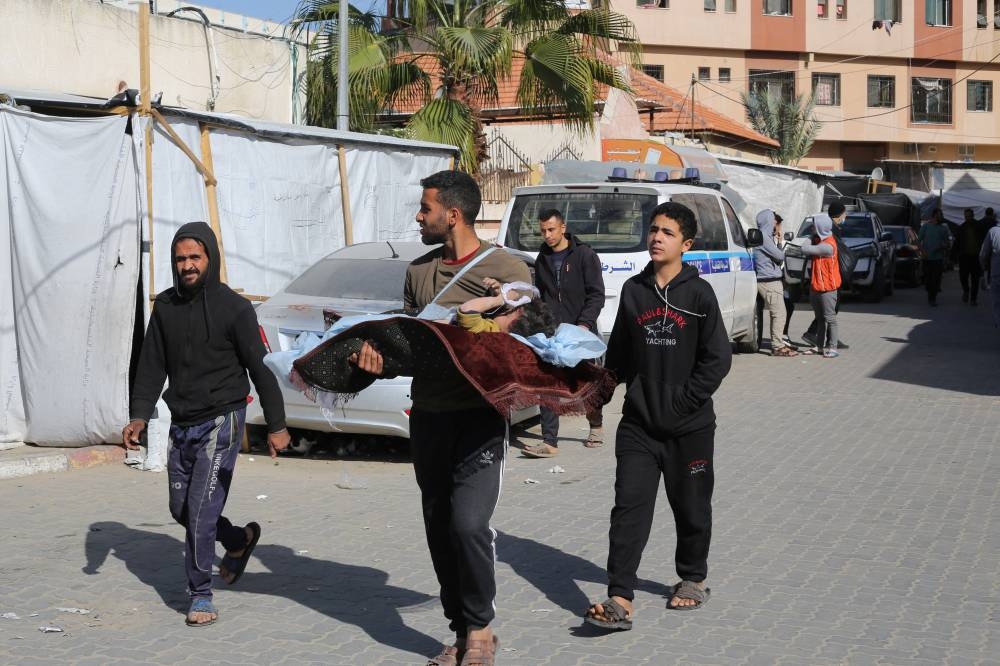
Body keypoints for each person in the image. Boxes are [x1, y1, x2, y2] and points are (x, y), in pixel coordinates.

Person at [355, 170, 530, 666]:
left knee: (469, 525)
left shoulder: (506, 267)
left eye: (425, 207)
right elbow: (409, 348)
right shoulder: (418, 272)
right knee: (438, 524)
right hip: (429, 416)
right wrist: (375, 361)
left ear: (452, 214)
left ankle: (480, 628)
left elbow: (524, 333)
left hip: (479, 417)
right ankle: (459, 628)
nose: (418, 215)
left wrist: (498, 318)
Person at [122, 222, 291, 627]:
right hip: (183, 420)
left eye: (195, 257)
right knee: (181, 508)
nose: (187, 265)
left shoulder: (234, 308)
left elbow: (261, 369)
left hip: (222, 419)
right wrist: (139, 415)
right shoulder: (165, 307)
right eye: (180, 258)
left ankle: (200, 594)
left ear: (210, 258)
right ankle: (237, 540)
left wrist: (277, 424)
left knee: (199, 511)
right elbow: (151, 366)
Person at [584, 201, 732, 631]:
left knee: (691, 507)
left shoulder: (699, 295)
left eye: (666, 232)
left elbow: (717, 359)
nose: (655, 237)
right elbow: (621, 356)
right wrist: (599, 393)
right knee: (628, 507)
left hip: (690, 428)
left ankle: (692, 577)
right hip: (640, 426)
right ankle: (619, 596)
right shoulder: (634, 291)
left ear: (685, 243)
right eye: (652, 230)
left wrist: (684, 402)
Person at [523, 209, 606, 458]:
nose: (547, 235)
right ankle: (549, 442)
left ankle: (596, 425)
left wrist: (584, 324)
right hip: (552, 334)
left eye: (551, 229)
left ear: (563, 227)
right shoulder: (543, 258)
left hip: (580, 331)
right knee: (548, 385)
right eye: (543, 230)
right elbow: (541, 294)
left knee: (586, 385)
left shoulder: (584, 255)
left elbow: (596, 294)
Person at [803, 201, 849, 350]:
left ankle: (829, 342)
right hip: (824, 283)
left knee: (828, 315)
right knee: (828, 315)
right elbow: (806, 249)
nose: (845, 216)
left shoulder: (827, 241)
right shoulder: (829, 235)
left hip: (828, 282)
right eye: (844, 213)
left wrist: (812, 236)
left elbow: (808, 248)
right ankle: (824, 341)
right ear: (840, 214)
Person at [752, 209, 798, 357]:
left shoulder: (764, 237)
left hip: (768, 279)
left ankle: (777, 344)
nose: (774, 223)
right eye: (772, 220)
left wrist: (776, 242)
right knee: (779, 314)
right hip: (769, 280)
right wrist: (778, 243)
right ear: (767, 221)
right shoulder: (764, 238)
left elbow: (777, 257)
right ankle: (777, 346)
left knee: (777, 313)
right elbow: (780, 256)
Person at [799, 214, 841, 358]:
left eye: (814, 226)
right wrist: (814, 236)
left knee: (830, 318)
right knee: (820, 319)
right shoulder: (820, 241)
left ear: (820, 228)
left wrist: (811, 236)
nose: (812, 228)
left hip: (828, 289)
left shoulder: (827, 246)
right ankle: (819, 347)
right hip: (816, 287)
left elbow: (804, 248)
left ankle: (833, 347)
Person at [455, 279, 556, 337]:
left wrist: (500, 299)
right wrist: (497, 294)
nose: (506, 310)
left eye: (509, 312)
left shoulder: (492, 331)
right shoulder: (500, 331)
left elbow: (467, 310)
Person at [918, 208, 951, 306]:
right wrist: (922, 252)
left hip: (938, 259)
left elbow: (948, 244)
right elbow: (918, 241)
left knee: (936, 280)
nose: (942, 217)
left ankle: (932, 299)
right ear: (935, 215)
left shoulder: (943, 228)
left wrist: (942, 246)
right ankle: (930, 292)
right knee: (928, 280)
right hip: (927, 258)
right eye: (940, 215)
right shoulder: (926, 226)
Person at [957, 208, 987, 305]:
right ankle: (966, 290)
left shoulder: (979, 226)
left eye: (969, 216)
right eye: (966, 216)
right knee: (963, 277)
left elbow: (984, 240)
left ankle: (973, 299)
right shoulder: (962, 227)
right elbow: (957, 243)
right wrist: (953, 257)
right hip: (964, 257)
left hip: (975, 257)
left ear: (973, 216)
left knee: (975, 279)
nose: (967, 218)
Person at [981, 218, 1000, 328]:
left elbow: (983, 254)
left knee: (997, 303)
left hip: (997, 273)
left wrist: (984, 267)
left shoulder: (993, 231)